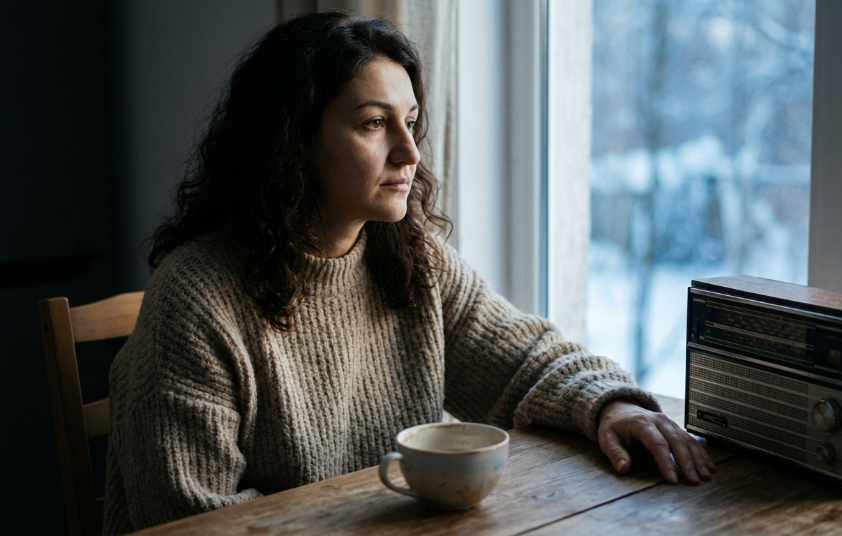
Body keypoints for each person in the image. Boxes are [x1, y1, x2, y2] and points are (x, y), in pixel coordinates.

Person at [103, 11, 714, 534]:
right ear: (293, 143)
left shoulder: (411, 260)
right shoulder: (197, 300)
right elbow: (193, 518)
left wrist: (611, 406)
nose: (410, 151)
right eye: (374, 123)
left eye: (411, 121)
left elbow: (528, 361)